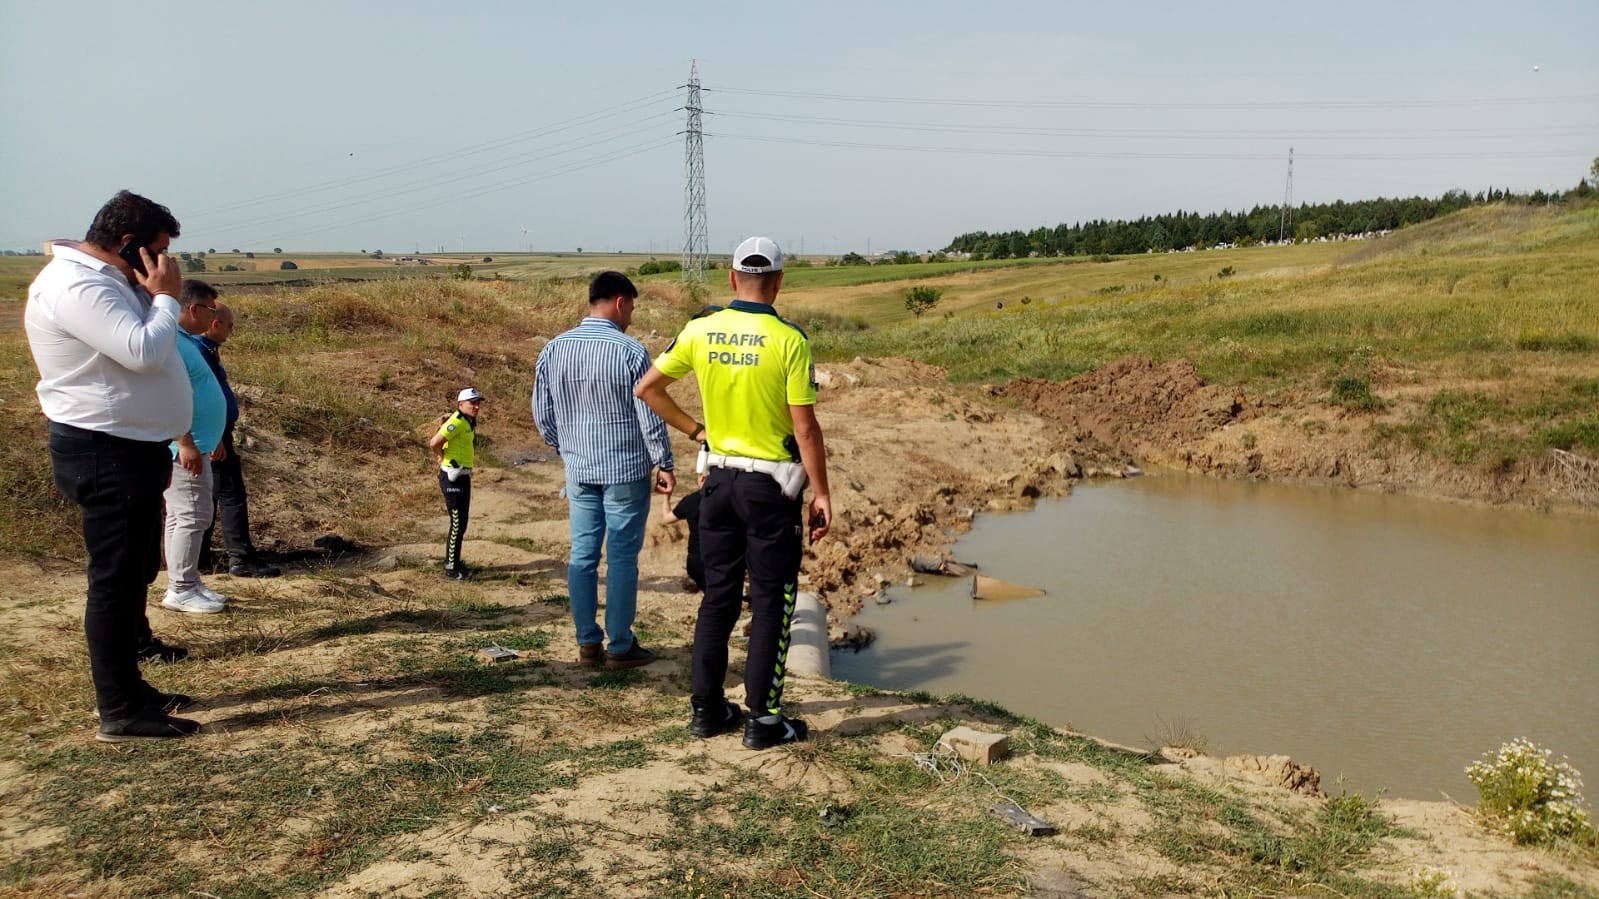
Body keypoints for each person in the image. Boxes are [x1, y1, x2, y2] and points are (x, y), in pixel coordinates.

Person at [635, 236, 832, 749]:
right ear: (780, 282)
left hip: (718, 483)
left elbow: (647, 388)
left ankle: (706, 710)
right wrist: (823, 494)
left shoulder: (701, 329)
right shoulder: (789, 340)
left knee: (718, 598)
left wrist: (697, 431)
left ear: (731, 278)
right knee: (772, 602)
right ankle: (764, 720)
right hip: (770, 490)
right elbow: (805, 429)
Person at [23, 190, 201, 741]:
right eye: (159, 252)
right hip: (105, 451)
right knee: (115, 583)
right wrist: (167, 298)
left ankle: (133, 687)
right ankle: (120, 710)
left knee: (134, 576)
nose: (166, 264)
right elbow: (143, 351)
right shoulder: (77, 285)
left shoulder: (107, 281)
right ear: (129, 244)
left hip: (131, 447)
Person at [533, 271, 675, 670]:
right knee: (623, 557)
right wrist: (663, 461)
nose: (631, 315)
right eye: (631, 306)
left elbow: (542, 415)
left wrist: (567, 448)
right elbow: (648, 415)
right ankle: (620, 645)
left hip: (579, 469)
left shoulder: (554, 349)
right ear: (618, 302)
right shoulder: (630, 352)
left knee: (582, 555)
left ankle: (587, 643)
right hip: (625, 470)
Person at [196, 300, 281, 578]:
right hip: (212, 436)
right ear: (215, 323)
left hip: (214, 433)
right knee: (230, 495)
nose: (232, 331)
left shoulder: (206, 350)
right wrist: (214, 436)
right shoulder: (198, 351)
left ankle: (200, 558)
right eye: (230, 325)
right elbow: (198, 399)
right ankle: (240, 559)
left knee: (210, 495)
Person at [161, 281, 230, 614]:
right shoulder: (173, 343)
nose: (213, 316)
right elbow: (170, 396)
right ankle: (182, 588)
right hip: (186, 448)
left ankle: (186, 580)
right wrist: (184, 440)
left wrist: (212, 433)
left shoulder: (186, 342)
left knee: (182, 516)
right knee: (192, 515)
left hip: (199, 442)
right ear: (194, 309)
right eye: (211, 310)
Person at [429, 388, 484, 579]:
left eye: (478, 403)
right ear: (461, 405)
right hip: (452, 477)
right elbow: (435, 441)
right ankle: (451, 568)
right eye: (472, 403)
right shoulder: (456, 422)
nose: (476, 406)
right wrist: (440, 458)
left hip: (463, 476)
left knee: (462, 523)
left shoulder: (468, 422)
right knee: (457, 522)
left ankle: (455, 561)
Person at [659, 476, 706, 592]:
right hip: (720, 562)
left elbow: (667, 518)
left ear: (701, 479)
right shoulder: (729, 499)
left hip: (695, 563)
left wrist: (666, 495)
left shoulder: (691, 500)